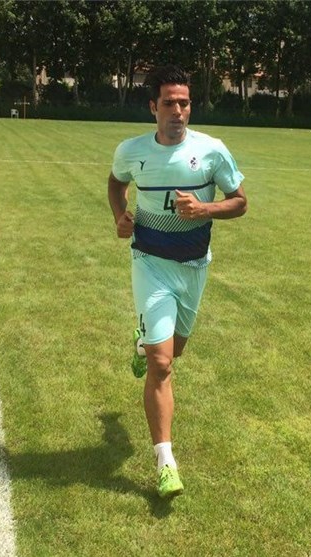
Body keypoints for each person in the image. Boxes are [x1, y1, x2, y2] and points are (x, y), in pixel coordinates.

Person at [107, 65, 248, 499]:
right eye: (169, 103)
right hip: (150, 262)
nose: (178, 111)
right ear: (153, 107)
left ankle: (142, 342)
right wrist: (121, 216)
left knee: (175, 351)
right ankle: (165, 462)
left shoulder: (212, 152)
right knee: (162, 364)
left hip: (194, 266)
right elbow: (116, 183)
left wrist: (205, 210)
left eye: (184, 103)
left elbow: (240, 202)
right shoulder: (132, 151)